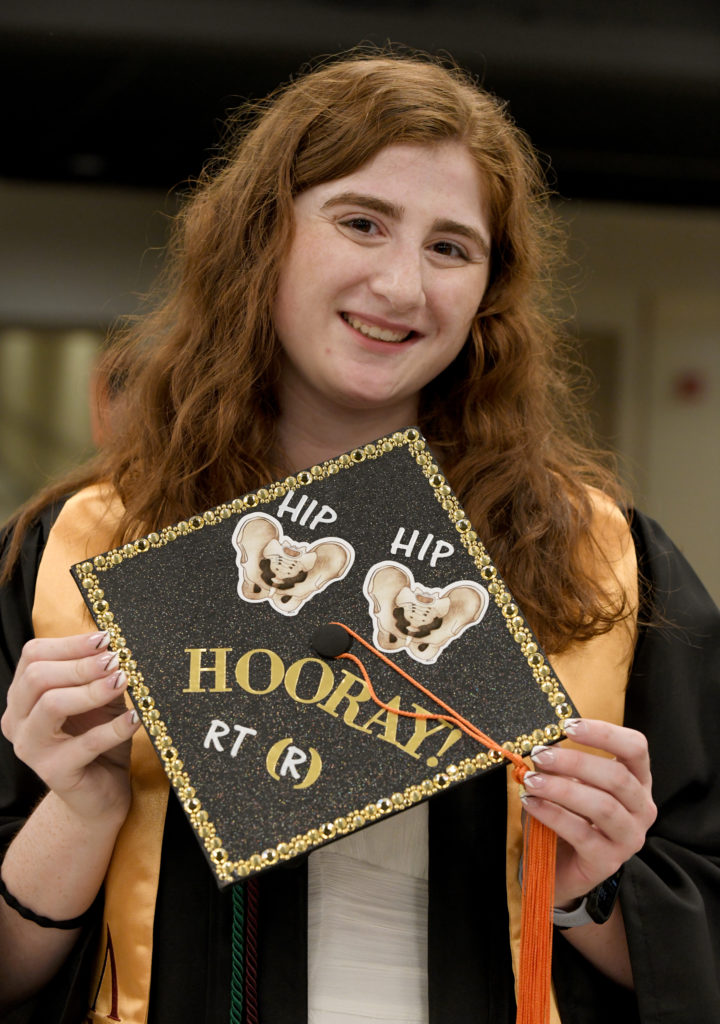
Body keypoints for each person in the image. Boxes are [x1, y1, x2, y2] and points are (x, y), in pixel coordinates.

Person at [0, 48, 718, 1024]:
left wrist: (587, 887)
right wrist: (79, 808)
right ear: (263, 239)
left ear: (488, 295)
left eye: (451, 248)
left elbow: (694, 943)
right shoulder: (75, 554)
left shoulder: (600, 563)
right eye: (362, 222)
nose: (402, 285)